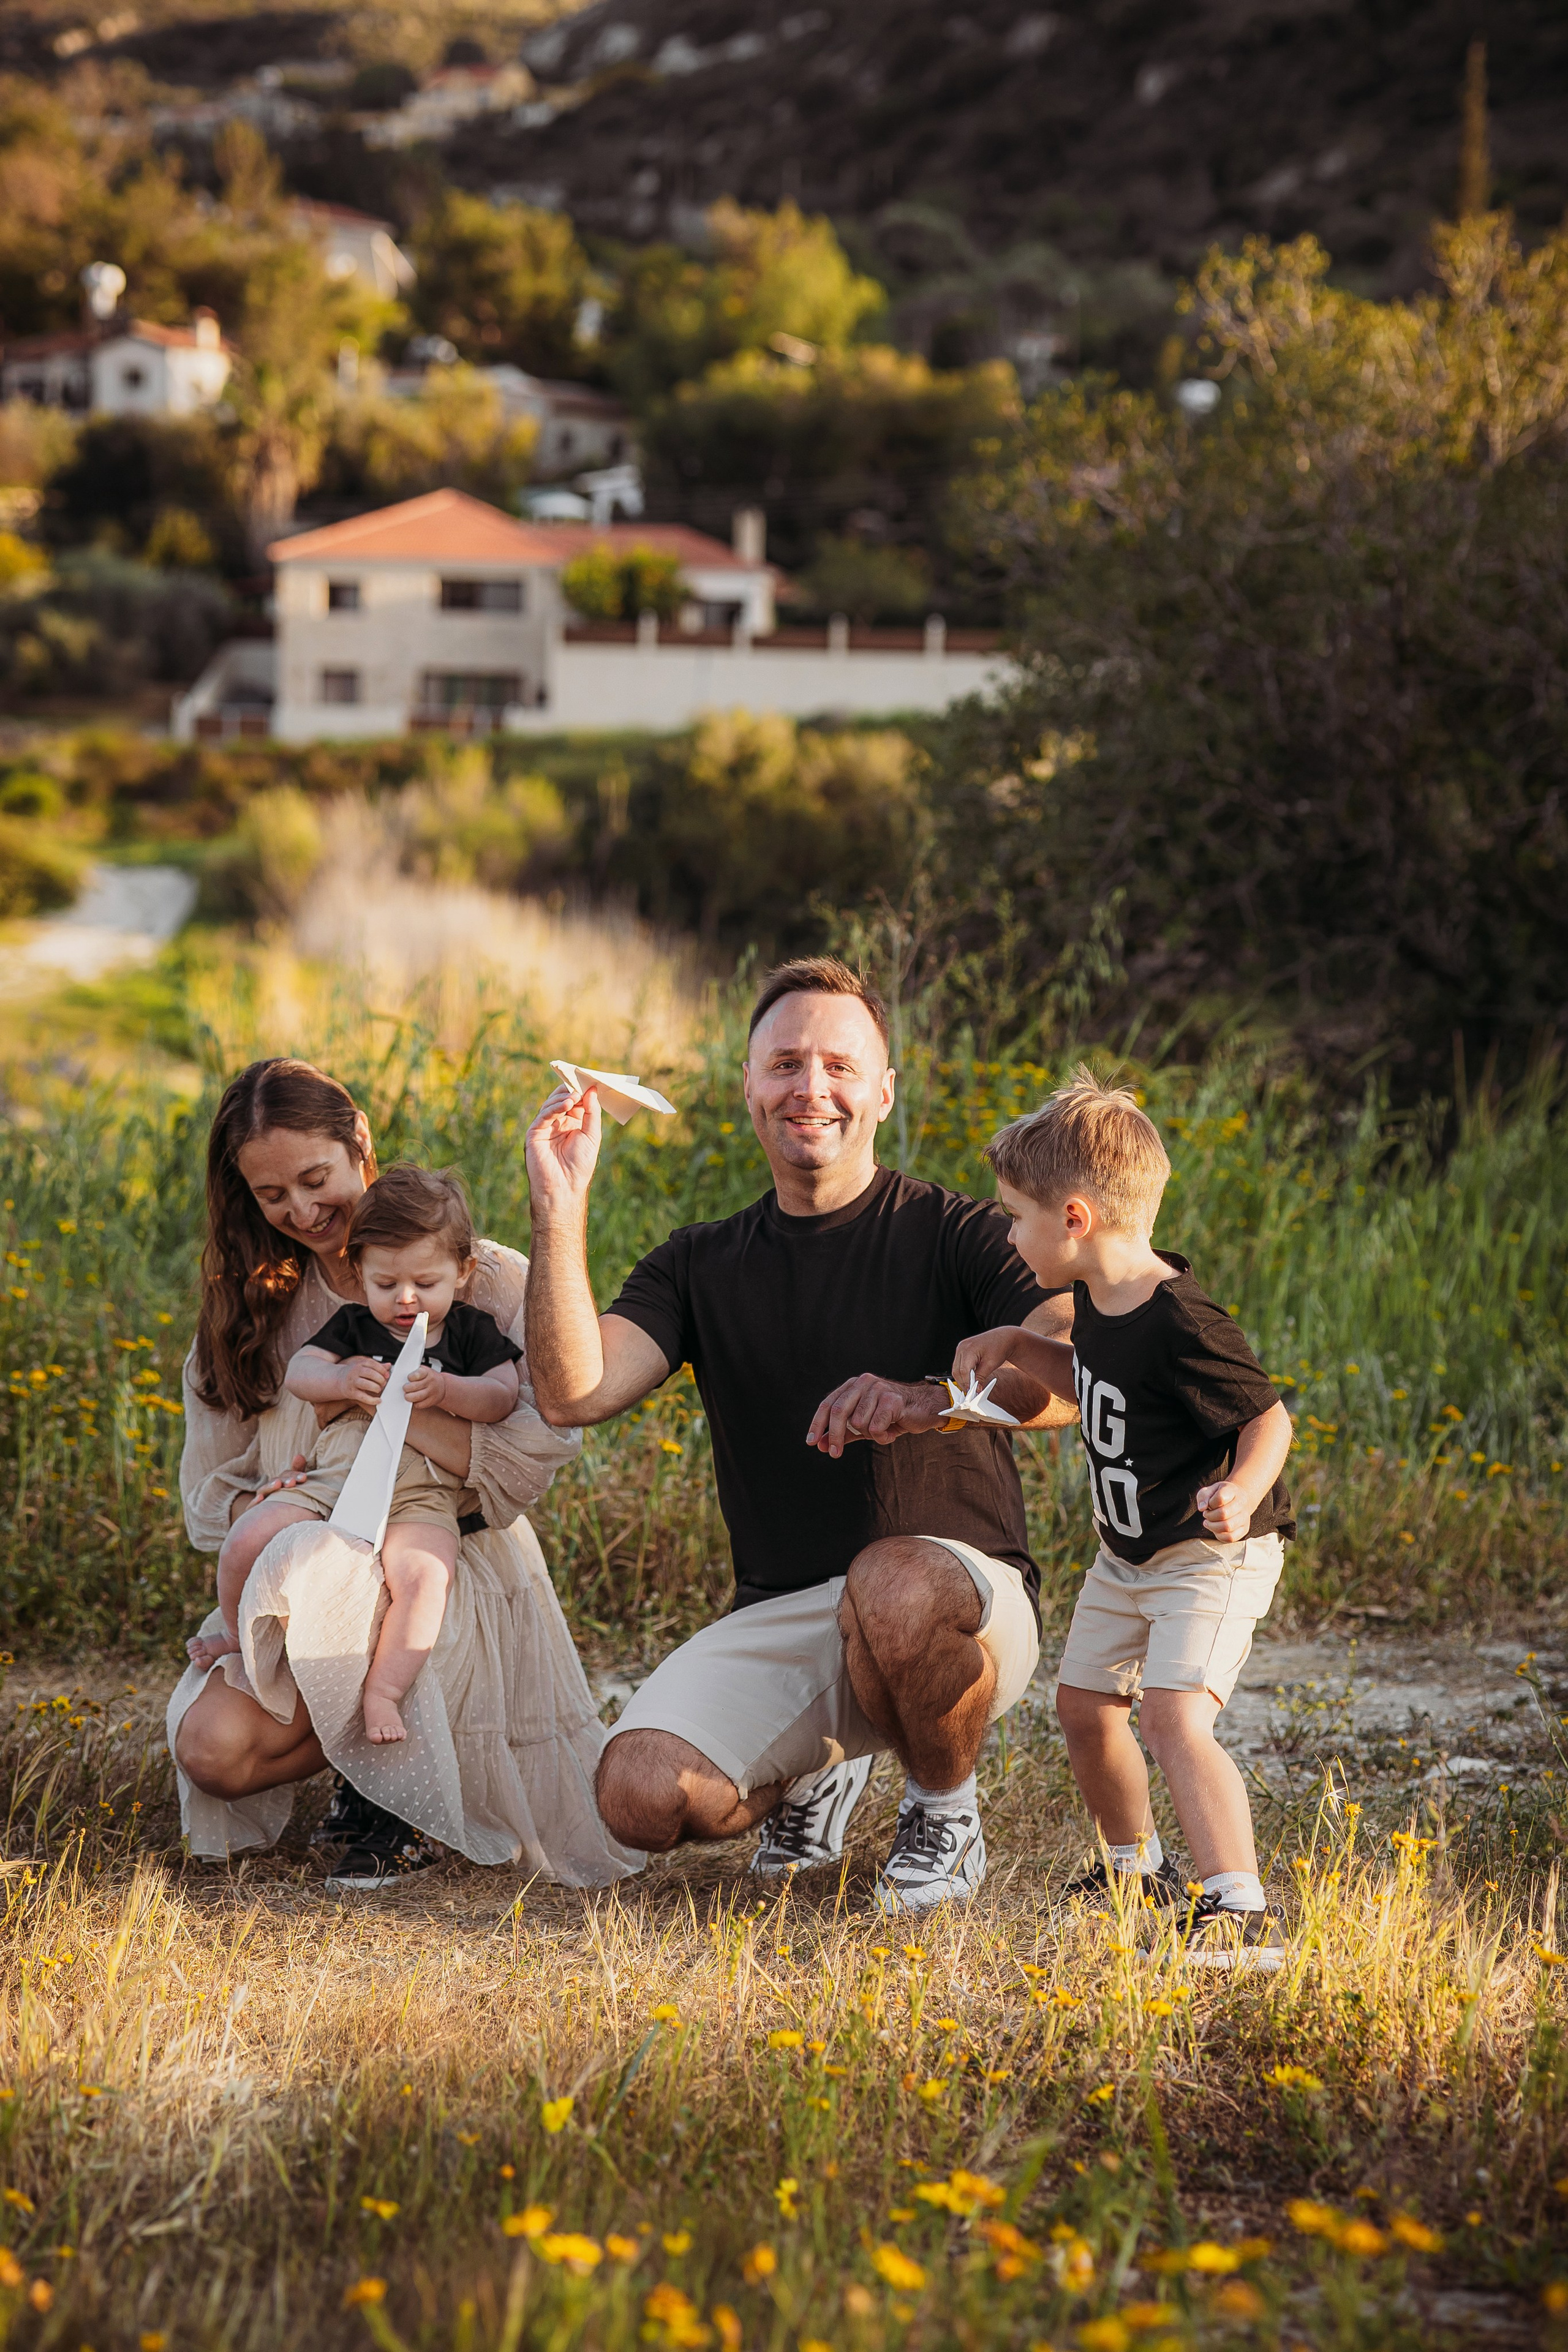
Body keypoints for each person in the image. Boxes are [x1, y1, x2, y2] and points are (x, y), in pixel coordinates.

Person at [524, 957, 1077, 1914]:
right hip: (788, 1612)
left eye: (839, 1065)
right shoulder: (698, 1262)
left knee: (891, 1582)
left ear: (884, 1091)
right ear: (748, 1085)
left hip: (962, 1595)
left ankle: (944, 1811)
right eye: (783, 1064)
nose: (809, 1088)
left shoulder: (962, 1233)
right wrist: (559, 1202)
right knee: (639, 1795)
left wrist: (930, 1397)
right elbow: (572, 1392)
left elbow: (1067, 1372)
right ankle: (821, 1768)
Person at [170, 1057, 642, 1894]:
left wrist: (401, 1413)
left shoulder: (479, 1278)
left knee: (402, 1574)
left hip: (446, 1545)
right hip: (308, 1549)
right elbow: (214, 1496)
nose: (303, 1211)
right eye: (273, 1196)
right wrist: (271, 1489)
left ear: (360, 1143)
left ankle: (392, 1796)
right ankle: (375, 1754)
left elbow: (541, 1442)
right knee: (213, 1748)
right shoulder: (256, 1300)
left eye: (317, 1179)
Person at [952, 1066, 1295, 1967]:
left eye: (1014, 1214)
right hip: (1127, 1557)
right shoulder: (1099, 1301)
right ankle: (1133, 1873)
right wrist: (1026, 1346)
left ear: (1075, 1218)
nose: (1007, 1231)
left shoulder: (1182, 1318)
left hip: (1207, 1558)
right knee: (1083, 1707)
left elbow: (1269, 1419)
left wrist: (1244, 1490)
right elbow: (1100, 1384)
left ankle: (1240, 1909)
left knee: (1176, 1719)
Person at [190, 1165, 525, 1749]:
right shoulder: (353, 1325)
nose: (405, 1299)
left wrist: (447, 1391)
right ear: (361, 1274)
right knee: (249, 1535)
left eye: (426, 1281)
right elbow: (301, 1373)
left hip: (421, 1494)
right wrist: (343, 1379)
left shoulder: (470, 1331)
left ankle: (383, 1691)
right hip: (334, 1478)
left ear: (463, 1271)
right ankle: (237, 1633)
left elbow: (502, 1397)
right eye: (384, 1283)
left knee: (425, 1581)